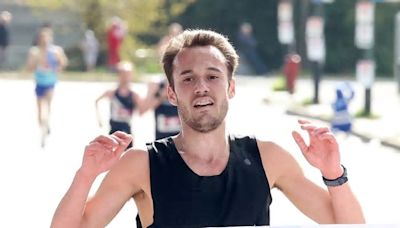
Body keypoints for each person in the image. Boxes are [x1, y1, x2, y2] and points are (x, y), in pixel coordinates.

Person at [51, 29, 365, 228]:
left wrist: (333, 173)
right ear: (172, 93)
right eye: (188, 78)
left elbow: (347, 223)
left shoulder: (268, 159)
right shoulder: (141, 165)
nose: (201, 87)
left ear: (230, 87)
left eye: (213, 76)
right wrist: (85, 176)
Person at [26, 27, 68, 147]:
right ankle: (42, 129)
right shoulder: (34, 51)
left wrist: (58, 63)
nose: (44, 41)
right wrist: (36, 62)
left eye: (46, 38)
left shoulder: (56, 50)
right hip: (39, 83)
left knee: (48, 105)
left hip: (50, 82)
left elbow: (63, 63)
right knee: (39, 110)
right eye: (42, 38)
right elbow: (29, 68)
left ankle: (47, 123)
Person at [95, 61, 145, 147]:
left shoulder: (134, 95)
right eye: (122, 74)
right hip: (113, 131)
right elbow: (97, 101)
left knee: (127, 156)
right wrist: (100, 119)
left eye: (127, 75)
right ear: (118, 75)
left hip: (127, 131)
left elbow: (142, 111)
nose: (125, 78)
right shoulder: (112, 92)